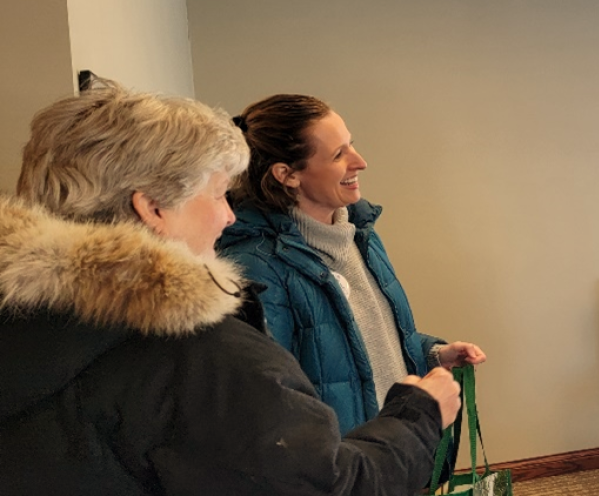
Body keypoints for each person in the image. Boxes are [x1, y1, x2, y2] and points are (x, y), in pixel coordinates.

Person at [0, 81, 461, 496]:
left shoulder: (24, 323)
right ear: (153, 208)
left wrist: (427, 354)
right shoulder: (201, 353)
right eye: (219, 193)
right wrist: (418, 415)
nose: (229, 215)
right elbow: (328, 481)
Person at [216, 94, 486, 435]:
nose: (360, 162)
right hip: (351, 460)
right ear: (287, 174)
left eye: (351, 145)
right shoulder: (255, 267)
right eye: (338, 155)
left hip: (396, 445)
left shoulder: (360, 235)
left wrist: (433, 354)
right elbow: (271, 404)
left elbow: (364, 342)